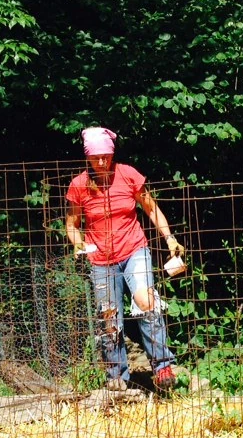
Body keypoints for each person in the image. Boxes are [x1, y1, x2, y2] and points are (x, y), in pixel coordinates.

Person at [65, 127, 185, 392]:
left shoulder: (128, 175)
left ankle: (163, 367)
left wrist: (169, 238)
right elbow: (72, 225)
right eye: (95, 157)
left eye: (106, 156)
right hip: (100, 258)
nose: (101, 162)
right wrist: (78, 244)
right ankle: (116, 376)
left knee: (146, 302)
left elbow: (151, 209)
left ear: (112, 154)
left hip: (133, 249)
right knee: (109, 318)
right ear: (87, 157)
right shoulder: (79, 185)